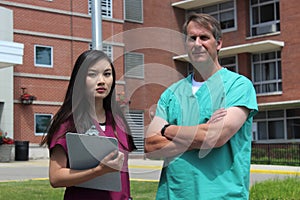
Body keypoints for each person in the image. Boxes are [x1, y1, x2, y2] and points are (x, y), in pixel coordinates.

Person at [145, 13, 258, 199]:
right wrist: (201, 136)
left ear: (218, 43)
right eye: (192, 38)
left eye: (204, 37)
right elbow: (150, 147)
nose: (197, 44)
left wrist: (166, 129)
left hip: (221, 195)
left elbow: (214, 136)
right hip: (172, 194)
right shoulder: (171, 94)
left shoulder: (238, 86)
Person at [41, 50, 136, 200]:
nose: (101, 81)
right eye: (92, 74)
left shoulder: (118, 121)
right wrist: (98, 170)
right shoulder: (68, 124)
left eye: (107, 74)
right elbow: (56, 177)